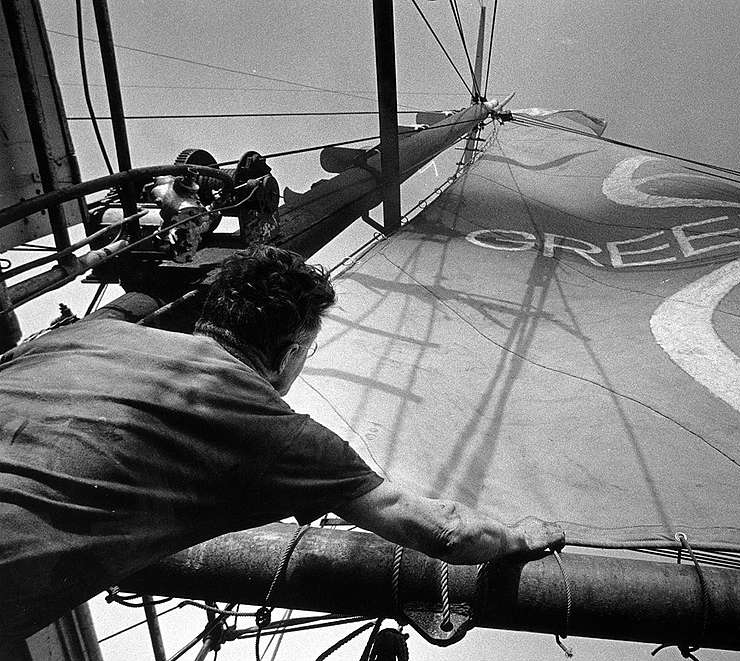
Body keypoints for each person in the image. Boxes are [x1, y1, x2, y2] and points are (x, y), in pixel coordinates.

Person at [0, 244, 564, 641]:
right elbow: (444, 529)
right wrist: (518, 536)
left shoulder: (82, 334)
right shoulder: (274, 430)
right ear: (293, 350)